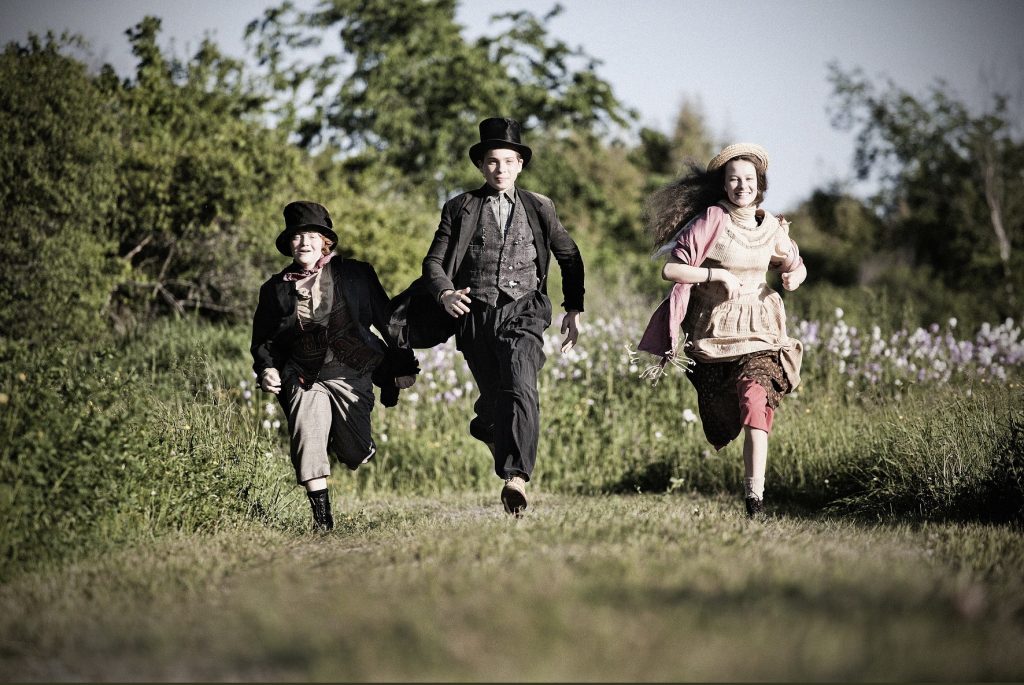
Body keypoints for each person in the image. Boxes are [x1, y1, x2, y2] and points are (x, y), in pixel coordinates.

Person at [419, 117, 585, 515]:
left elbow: (570, 256)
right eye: (493, 162)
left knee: (521, 383)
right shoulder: (459, 207)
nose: (500, 169)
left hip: (525, 309)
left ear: (520, 164)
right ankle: (486, 426)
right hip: (475, 314)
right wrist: (444, 293)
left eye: (508, 161)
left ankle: (516, 478)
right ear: (481, 165)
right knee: (496, 398)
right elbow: (433, 262)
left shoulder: (541, 206)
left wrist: (573, 308)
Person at [637, 143, 806, 519]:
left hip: (762, 331)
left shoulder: (773, 227)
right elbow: (672, 269)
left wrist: (794, 275)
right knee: (723, 414)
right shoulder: (713, 219)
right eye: (734, 180)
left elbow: (795, 262)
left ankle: (754, 497)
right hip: (715, 335)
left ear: (759, 184)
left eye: (748, 179)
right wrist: (716, 275)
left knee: (756, 400)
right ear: (725, 185)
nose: (742, 186)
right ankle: (749, 486)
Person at [251, 201, 418, 531]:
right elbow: (264, 340)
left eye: (312, 235)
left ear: (325, 241)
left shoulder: (355, 274)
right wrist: (267, 368)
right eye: (297, 237)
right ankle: (323, 523)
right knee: (307, 439)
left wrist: (401, 363)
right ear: (289, 244)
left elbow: (387, 320)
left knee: (354, 451)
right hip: (301, 374)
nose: (305, 243)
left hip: (351, 371)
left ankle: (354, 445)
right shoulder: (275, 288)